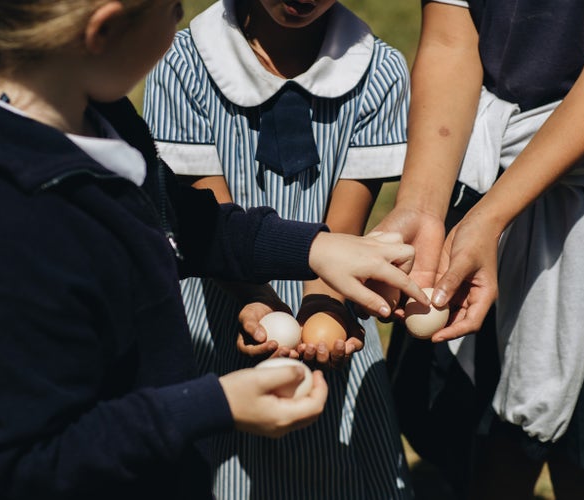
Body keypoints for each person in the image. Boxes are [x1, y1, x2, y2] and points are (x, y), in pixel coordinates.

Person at [0, 1, 429, 499]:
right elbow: (21, 459)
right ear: (104, 30)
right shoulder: (12, 220)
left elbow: (181, 221)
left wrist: (314, 249)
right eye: (172, 9)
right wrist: (214, 404)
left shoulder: (98, 119)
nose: (181, 20)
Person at [376, 1, 584, 499]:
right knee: (479, 438)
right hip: (481, 173)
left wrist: (490, 218)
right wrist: (423, 208)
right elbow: (451, 41)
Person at [142, 0, 417, 497]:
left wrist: (325, 305)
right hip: (212, 317)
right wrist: (256, 299)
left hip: (331, 297)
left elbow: (342, 225)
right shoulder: (183, 64)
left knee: (332, 473)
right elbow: (209, 224)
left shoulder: (379, 73)